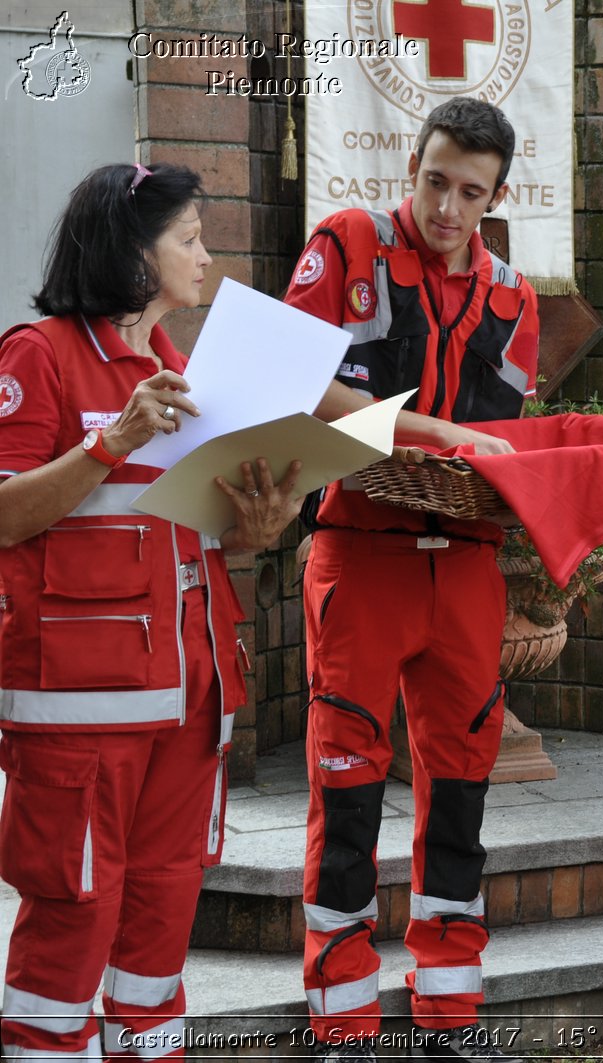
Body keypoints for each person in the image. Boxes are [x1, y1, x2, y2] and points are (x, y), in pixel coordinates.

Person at [0, 163, 302, 1059]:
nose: (207, 256)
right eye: (190, 238)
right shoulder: (39, 353)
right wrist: (110, 440)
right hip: (81, 710)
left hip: (191, 700)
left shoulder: (180, 367)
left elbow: (196, 539)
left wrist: (258, 525)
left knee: (165, 905)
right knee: (75, 910)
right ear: (132, 253)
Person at [280, 98, 539, 1062]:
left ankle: (449, 1017)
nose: (447, 206)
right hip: (363, 549)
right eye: (436, 180)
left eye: (471, 192)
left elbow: (506, 449)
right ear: (414, 166)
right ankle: (343, 1020)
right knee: (345, 787)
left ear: (497, 196)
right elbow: (293, 384)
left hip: (468, 566)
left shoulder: (515, 296)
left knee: (463, 791)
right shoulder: (347, 241)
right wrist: (426, 431)